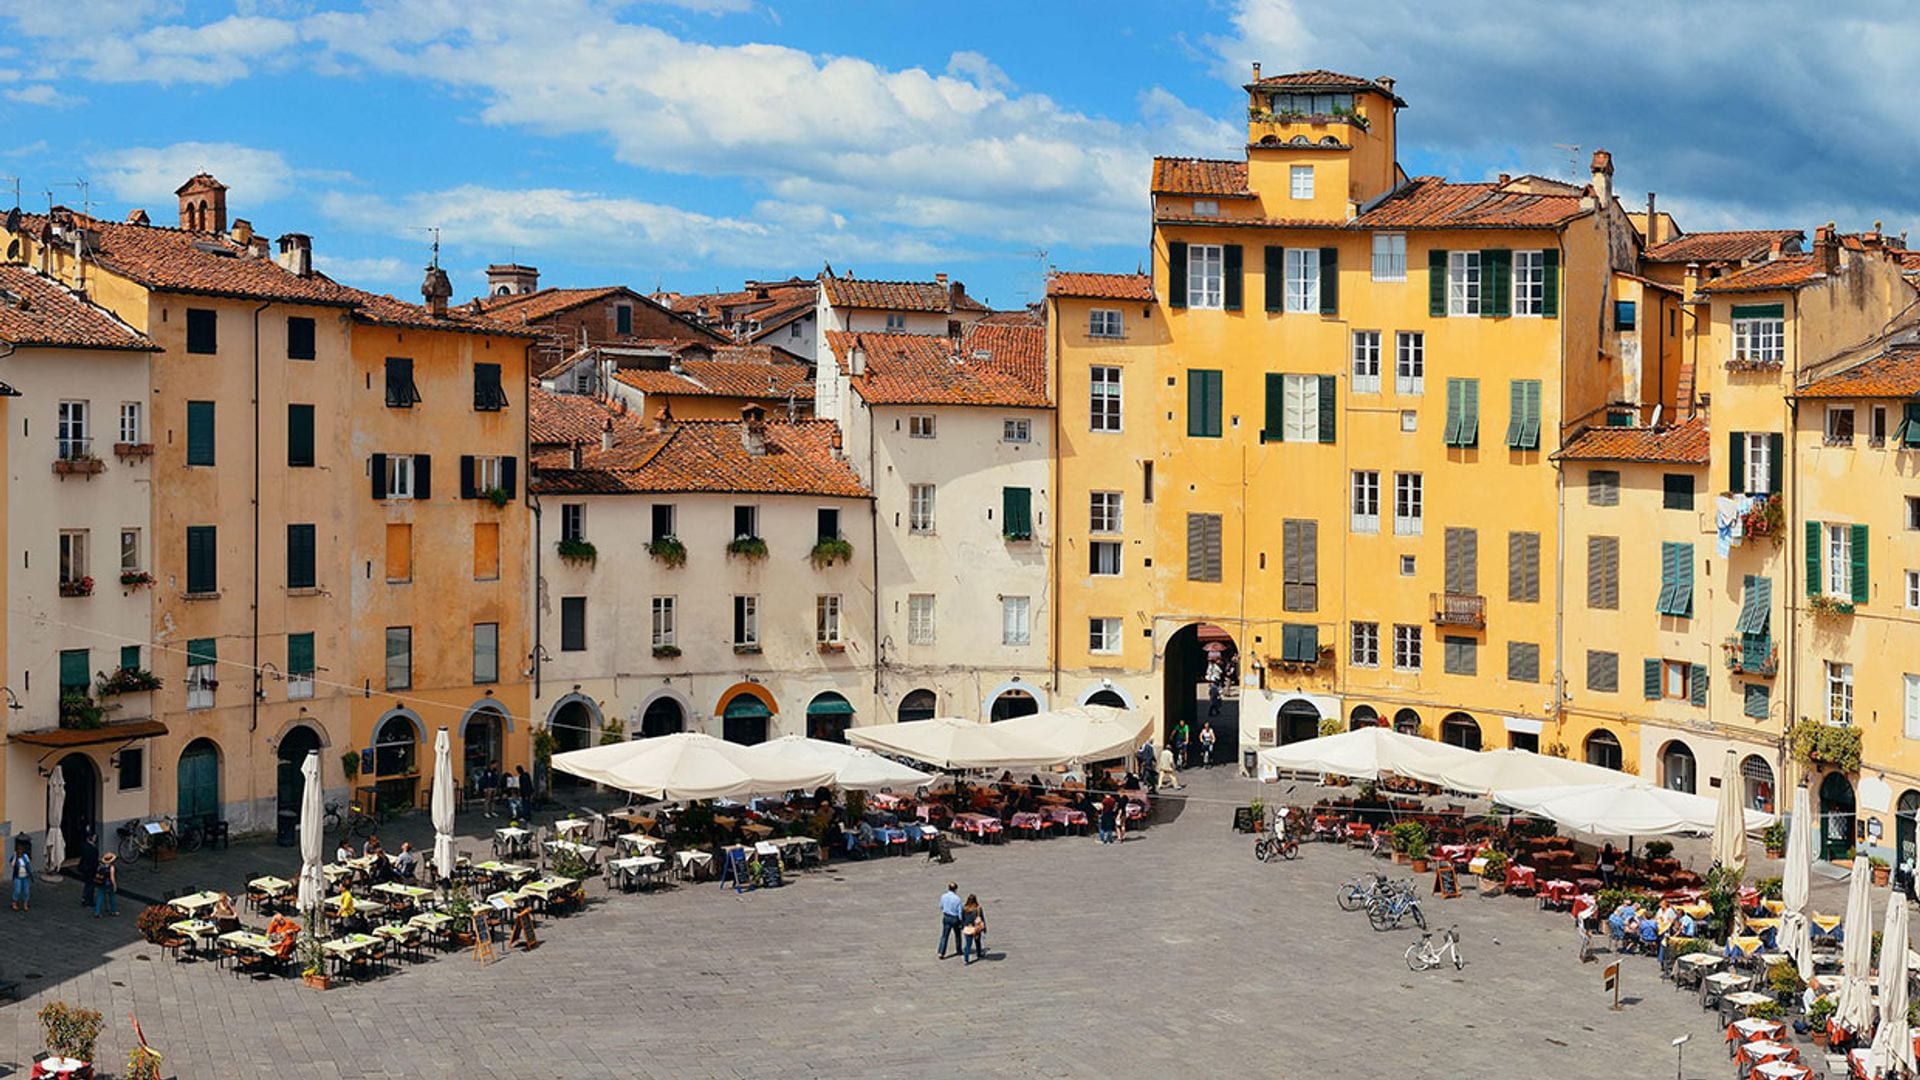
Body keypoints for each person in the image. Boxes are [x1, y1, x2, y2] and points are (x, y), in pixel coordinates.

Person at [938, 882, 964, 960]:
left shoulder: (943, 896)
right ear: (955, 889)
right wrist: (961, 920)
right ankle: (958, 950)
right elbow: (960, 911)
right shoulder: (957, 899)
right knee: (957, 935)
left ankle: (941, 952)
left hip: (946, 916)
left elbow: (941, 906)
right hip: (955, 918)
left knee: (944, 936)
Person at [75, 827, 99, 910]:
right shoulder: (93, 849)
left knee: (87, 884)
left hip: (85, 868)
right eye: (94, 837)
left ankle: (85, 899)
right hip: (90, 869)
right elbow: (94, 861)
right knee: (90, 885)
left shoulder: (84, 846)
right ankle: (89, 900)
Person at [960, 894, 987, 964]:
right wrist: (984, 928)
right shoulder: (978, 908)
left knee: (968, 944)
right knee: (977, 941)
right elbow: (982, 919)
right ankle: (979, 953)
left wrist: (963, 926)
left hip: (967, 928)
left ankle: (966, 959)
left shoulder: (964, 908)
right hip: (976, 928)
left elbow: (962, 918)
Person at [92, 852, 118, 917]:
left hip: (101, 883)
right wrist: (115, 885)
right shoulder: (111, 867)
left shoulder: (101, 866)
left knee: (100, 897)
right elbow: (112, 877)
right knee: (112, 897)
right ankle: (113, 911)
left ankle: (97, 912)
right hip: (108, 884)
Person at [9, 838, 31, 912]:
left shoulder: (25, 856)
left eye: (21, 850)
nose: (20, 852)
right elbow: (12, 865)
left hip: (25, 877)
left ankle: (25, 903)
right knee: (17, 890)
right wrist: (15, 856)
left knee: (26, 891)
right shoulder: (15, 858)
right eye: (19, 850)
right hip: (17, 877)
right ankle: (14, 902)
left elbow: (28, 864)